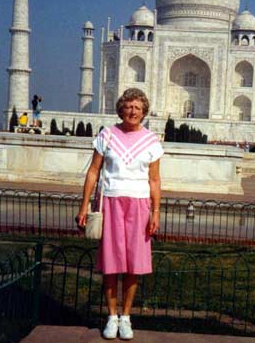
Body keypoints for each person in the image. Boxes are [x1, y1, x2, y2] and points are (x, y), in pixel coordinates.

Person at [76, 88, 164, 340]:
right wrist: (84, 205)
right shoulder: (107, 135)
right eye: (128, 106)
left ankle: (126, 317)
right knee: (112, 263)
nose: (133, 111)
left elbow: (155, 180)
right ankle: (111, 317)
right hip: (111, 203)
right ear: (121, 109)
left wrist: (156, 211)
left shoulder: (151, 141)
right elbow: (93, 171)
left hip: (139, 205)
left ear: (144, 111)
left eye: (137, 107)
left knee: (134, 264)